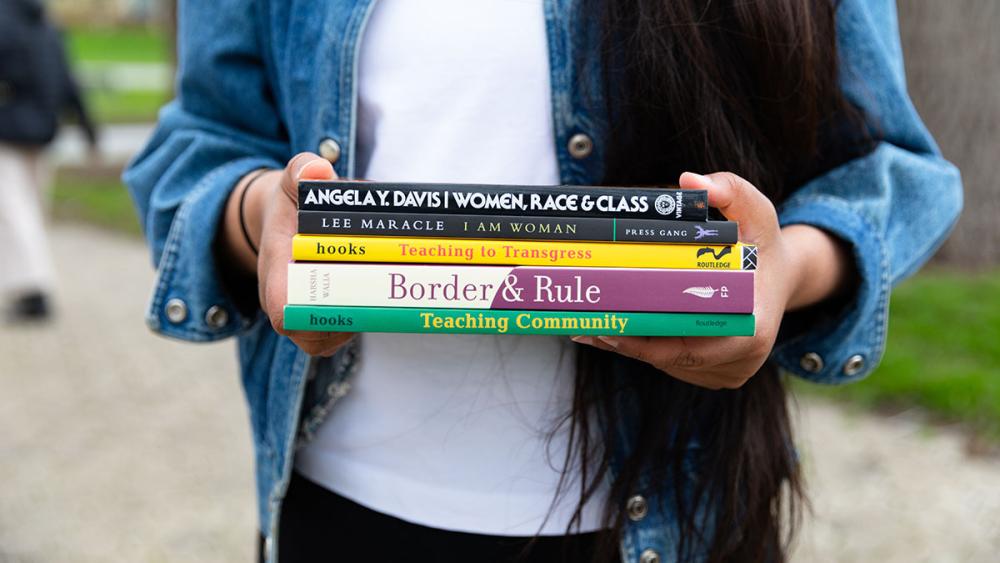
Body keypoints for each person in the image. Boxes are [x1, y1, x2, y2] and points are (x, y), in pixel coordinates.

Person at [124, 1, 961, 562]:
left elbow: (890, 169)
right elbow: (204, 140)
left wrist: (780, 271)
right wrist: (260, 213)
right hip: (347, 506)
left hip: (677, 516)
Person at [0, 0, 97, 322]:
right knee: (30, 210)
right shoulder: (48, 28)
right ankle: (26, 286)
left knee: (15, 212)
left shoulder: (5, 25)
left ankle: (33, 288)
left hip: (9, 132)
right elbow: (68, 82)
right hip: (43, 133)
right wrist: (88, 129)